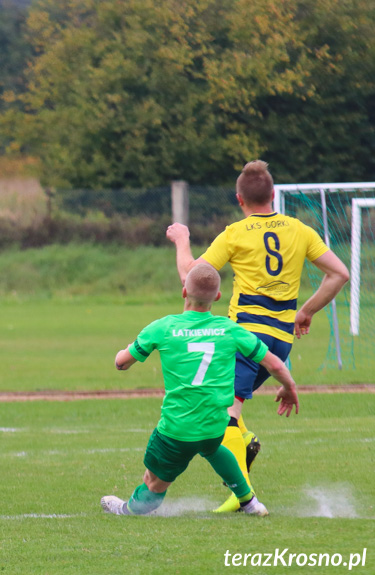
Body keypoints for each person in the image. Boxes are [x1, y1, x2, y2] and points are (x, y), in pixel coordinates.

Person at [166, 160, 349, 512]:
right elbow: (339, 274)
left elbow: (190, 277)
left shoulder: (236, 233)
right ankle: (245, 442)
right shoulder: (300, 229)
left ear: (239, 199)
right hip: (281, 338)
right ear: (273, 194)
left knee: (225, 414)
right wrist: (307, 311)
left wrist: (182, 239)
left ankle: (242, 494)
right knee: (223, 402)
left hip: (247, 335)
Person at [101, 264, 299, 517]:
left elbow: (121, 363)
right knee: (213, 447)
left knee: (152, 482)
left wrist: (129, 348)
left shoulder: (162, 327)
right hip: (216, 424)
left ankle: (128, 510)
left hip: (176, 428)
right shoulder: (230, 329)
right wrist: (289, 387)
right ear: (217, 297)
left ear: (184, 291)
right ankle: (249, 501)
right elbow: (273, 363)